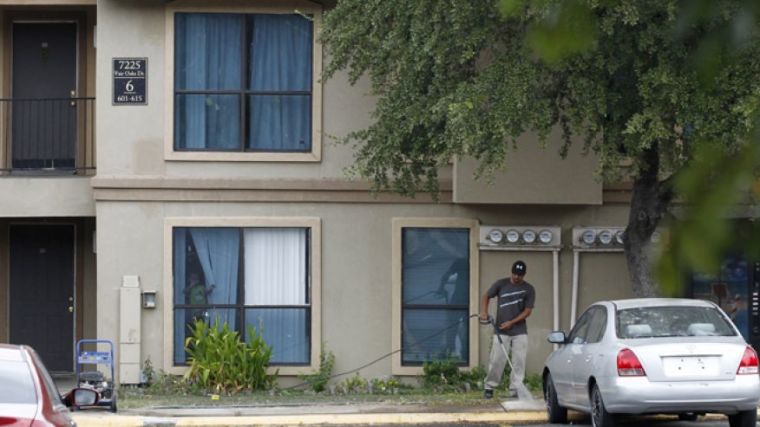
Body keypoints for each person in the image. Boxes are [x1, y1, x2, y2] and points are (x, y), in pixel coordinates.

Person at [479, 260, 535, 399]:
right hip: (501, 330)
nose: (517, 277)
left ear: (524, 275)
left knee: (519, 360)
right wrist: (484, 312)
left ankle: (515, 389)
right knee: (497, 359)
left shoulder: (529, 289)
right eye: (515, 273)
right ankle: (489, 387)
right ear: (511, 272)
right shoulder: (501, 284)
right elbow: (486, 296)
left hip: (519, 331)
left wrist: (512, 322)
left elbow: (527, 311)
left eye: (520, 275)